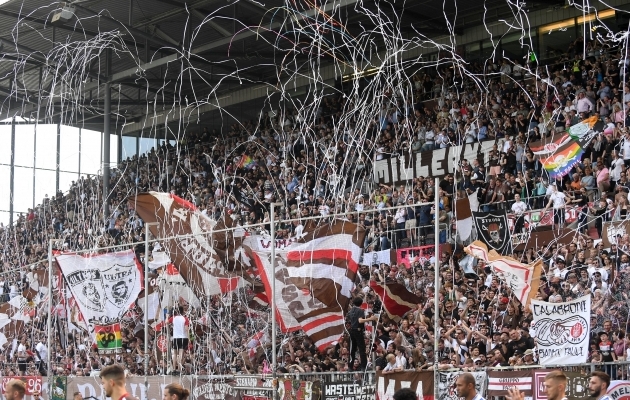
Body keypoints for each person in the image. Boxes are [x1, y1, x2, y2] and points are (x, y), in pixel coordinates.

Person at [346, 297, 378, 371]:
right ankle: (364, 366)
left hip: (351, 331)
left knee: (352, 350)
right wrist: (370, 319)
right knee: (361, 349)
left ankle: (350, 366)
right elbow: (360, 321)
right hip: (358, 330)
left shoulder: (350, 311)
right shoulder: (360, 310)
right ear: (360, 304)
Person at [162, 306, 190, 375]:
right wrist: (189, 338)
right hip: (183, 337)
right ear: (182, 311)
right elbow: (186, 329)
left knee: (174, 354)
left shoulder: (173, 318)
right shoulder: (185, 318)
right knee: (181, 354)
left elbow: (166, 322)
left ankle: (174, 369)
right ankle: (179, 369)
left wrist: (167, 316)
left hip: (175, 338)